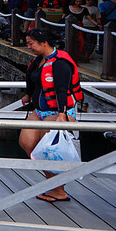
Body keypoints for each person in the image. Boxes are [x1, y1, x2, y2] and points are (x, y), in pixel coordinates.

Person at [20, 27, 82, 202]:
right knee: (28, 144)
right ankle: (51, 183)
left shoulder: (60, 62)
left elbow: (61, 90)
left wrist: (62, 114)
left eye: (31, 43)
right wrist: (28, 95)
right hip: (39, 110)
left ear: (44, 43)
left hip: (57, 111)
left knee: (49, 150)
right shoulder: (39, 60)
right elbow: (34, 80)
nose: (29, 46)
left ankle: (58, 190)